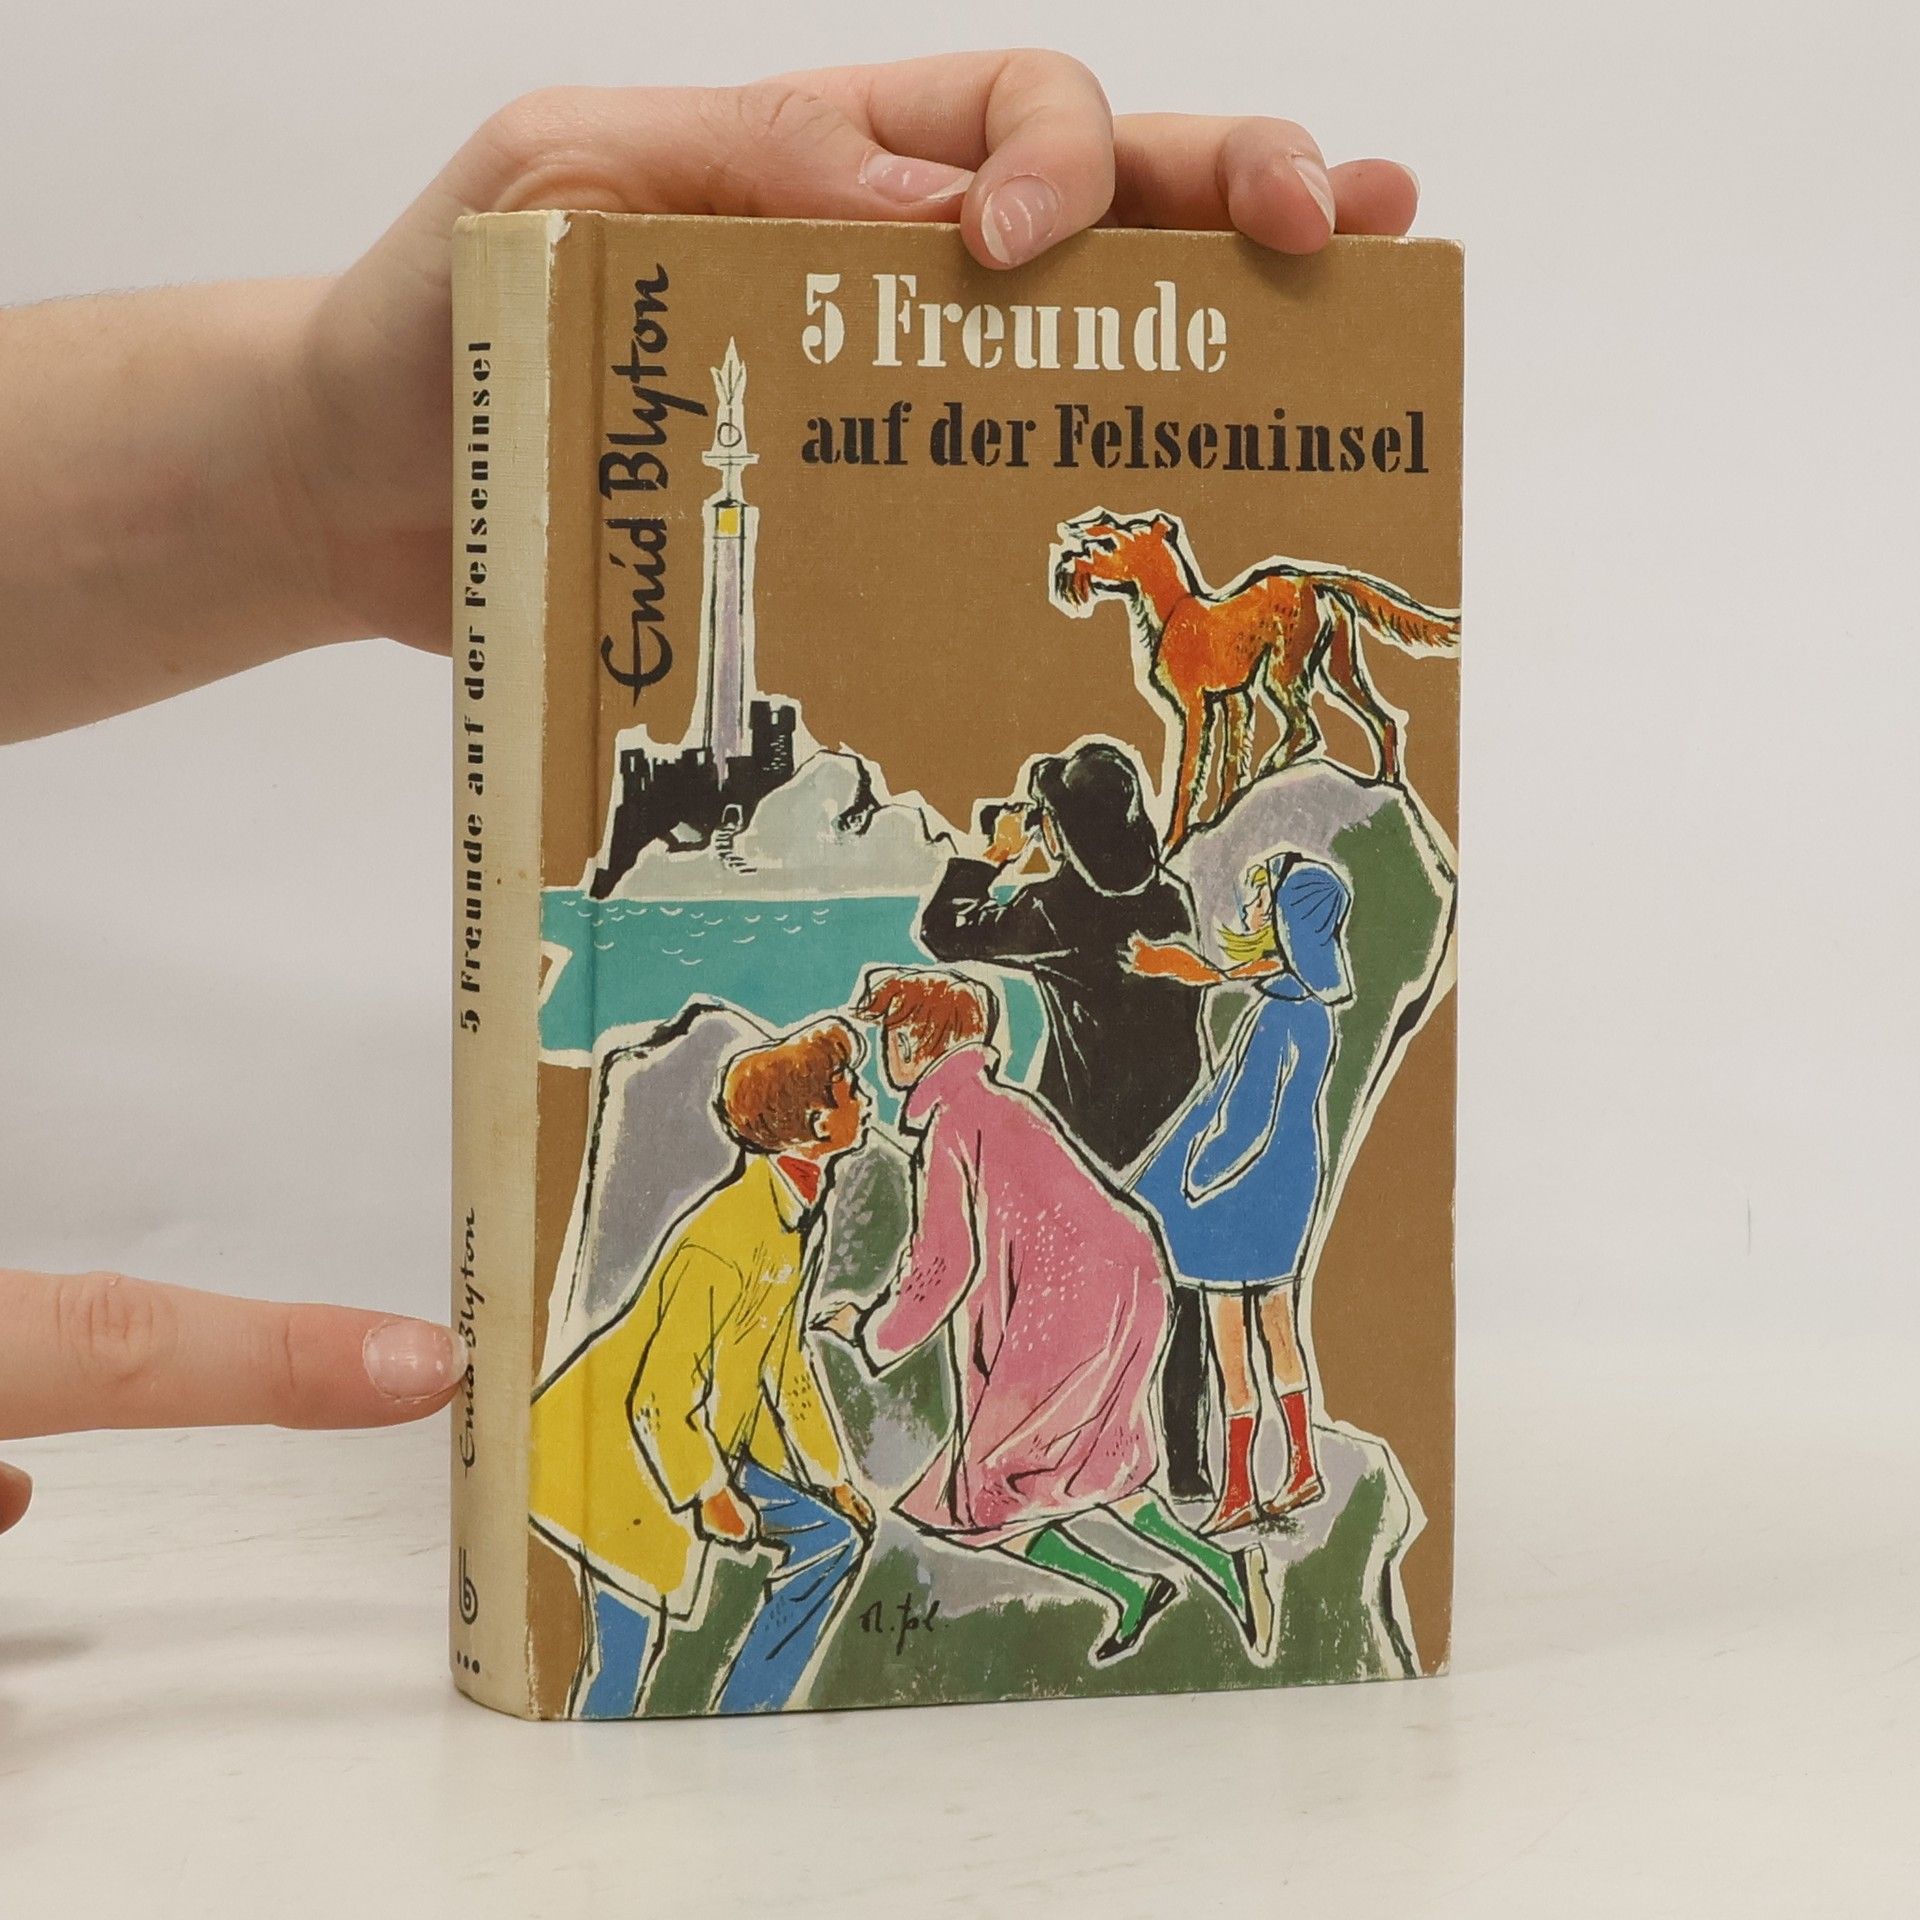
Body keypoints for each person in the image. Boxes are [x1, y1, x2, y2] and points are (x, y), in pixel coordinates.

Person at [0, 52, 1419, 1527]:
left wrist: (992, 865)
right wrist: (354, 440)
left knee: (1141, 1332)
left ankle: (1169, 1483)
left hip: (1124, 1165)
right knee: (1197, 1333)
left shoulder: (1053, 941)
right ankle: (1210, 1482)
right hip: (1144, 1170)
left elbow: (968, 958)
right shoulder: (1167, 918)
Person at [819, 968, 1273, 1668]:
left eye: (891, 1037)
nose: (884, 1054)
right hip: (1131, 1284)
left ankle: (1135, 1586)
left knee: (986, 1493)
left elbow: (943, 1265)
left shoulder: (951, 1125)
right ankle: (1201, 1573)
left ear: (915, 1043)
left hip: (1065, 1315)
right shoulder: (1006, 1105)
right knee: (1093, 1461)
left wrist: (868, 1331)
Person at [530, 1019, 876, 1715]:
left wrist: (831, 1477)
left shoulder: (794, 1215)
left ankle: (750, 1709)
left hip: (696, 1444)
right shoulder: (722, 1236)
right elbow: (658, 1393)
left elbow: (784, 1360)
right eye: (851, 1089)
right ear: (816, 1124)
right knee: (623, 1659)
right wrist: (710, 1494)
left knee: (832, 1539)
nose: (866, 1101)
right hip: (618, 1457)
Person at [916, 739, 1217, 1500]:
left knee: (1058, 1294)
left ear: (1064, 831)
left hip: (1087, 1130)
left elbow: (944, 932)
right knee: (1180, 1288)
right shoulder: (1170, 897)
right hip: (1178, 1119)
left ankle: (1054, 1454)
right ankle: (1187, 1465)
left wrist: (992, 856)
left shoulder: (1054, 911)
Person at [1129, 852, 1354, 1533]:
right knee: (1279, 1329)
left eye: (1261, 902)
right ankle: (1303, 1466)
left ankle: (1237, 1490)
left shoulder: (1273, 1018)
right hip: (1290, 1184)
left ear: (1286, 922)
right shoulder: (1311, 1009)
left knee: (1231, 1345)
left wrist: (1193, 1178)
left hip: (1236, 1195)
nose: (1250, 910)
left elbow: (1246, 1120)